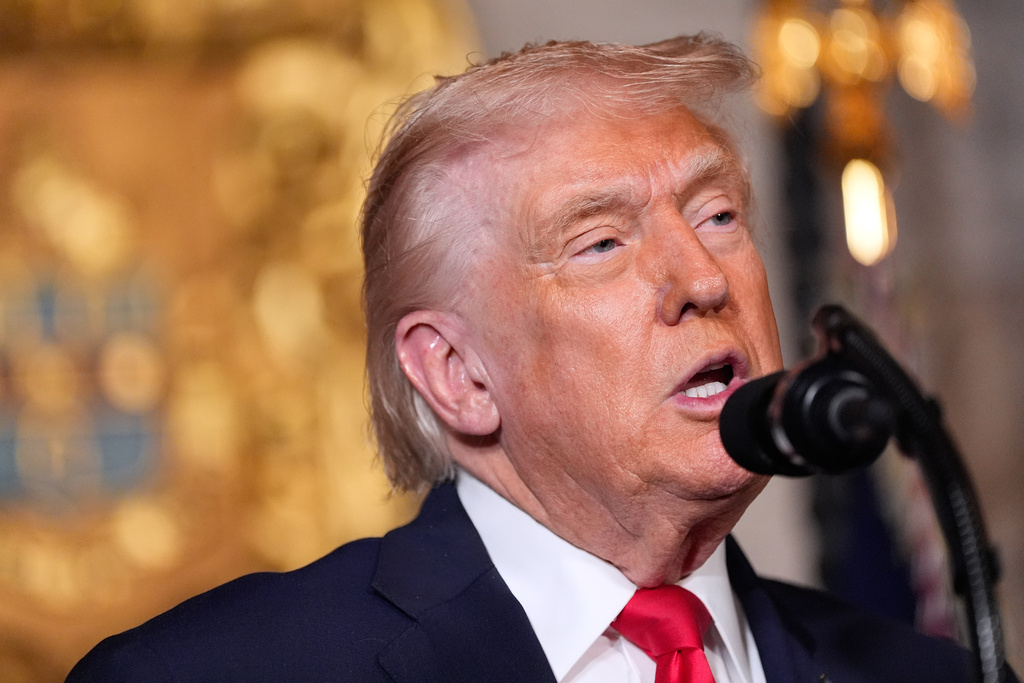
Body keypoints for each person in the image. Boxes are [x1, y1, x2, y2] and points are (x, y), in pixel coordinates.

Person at [68, 34, 999, 682]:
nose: (703, 279)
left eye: (717, 215)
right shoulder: (213, 673)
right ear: (459, 374)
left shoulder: (929, 673)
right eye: (600, 243)